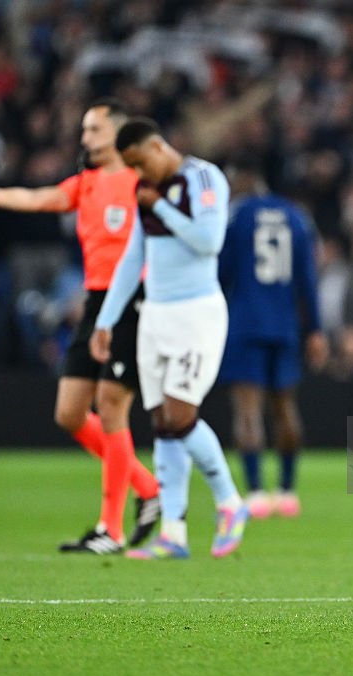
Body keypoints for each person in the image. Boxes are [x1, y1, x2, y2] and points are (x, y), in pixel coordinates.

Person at [0, 99, 159, 555]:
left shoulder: (142, 182)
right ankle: (148, 487)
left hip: (133, 300)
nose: (85, 139)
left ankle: (112, 529)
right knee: (69, 412)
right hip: (95, 300)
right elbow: (42, 197)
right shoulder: (86, 183)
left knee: (111, 404)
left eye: (94, 130)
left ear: (118, 135)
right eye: (84, 130)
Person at [91, 117, 248, 560]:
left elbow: (209, 240)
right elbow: (132, 257)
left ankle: (230, 502)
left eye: (141, 163)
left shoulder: (202, 178)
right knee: (161, 422)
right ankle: (173, 533)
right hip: (154, 316)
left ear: (158, 147)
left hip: (195, 314)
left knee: (180, 415)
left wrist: (159, 206)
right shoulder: (146, 192)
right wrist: (106, 320)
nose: (140, 175)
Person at [217, 163, 328, 518]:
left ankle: (255, 493)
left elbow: (222, 274)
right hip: (285, 325)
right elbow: (308, 281)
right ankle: (287, 490)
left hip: (245, 323)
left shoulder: (237, 217)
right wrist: (315, 329)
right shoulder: (297, 218)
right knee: (285, 408)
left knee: (248, 411)